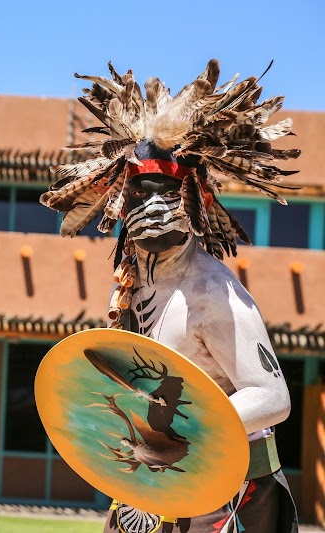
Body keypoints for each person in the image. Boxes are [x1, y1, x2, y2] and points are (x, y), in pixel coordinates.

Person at [41, 60, 299, 532]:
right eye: (141, 194)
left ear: (198, 199)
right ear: (120, 200)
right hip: (149, 484)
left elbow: (272, 397)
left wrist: (178, 433)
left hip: (229, 489)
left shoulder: (213, 292)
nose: (154, 207)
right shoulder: (130, 280)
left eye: (169, 192)